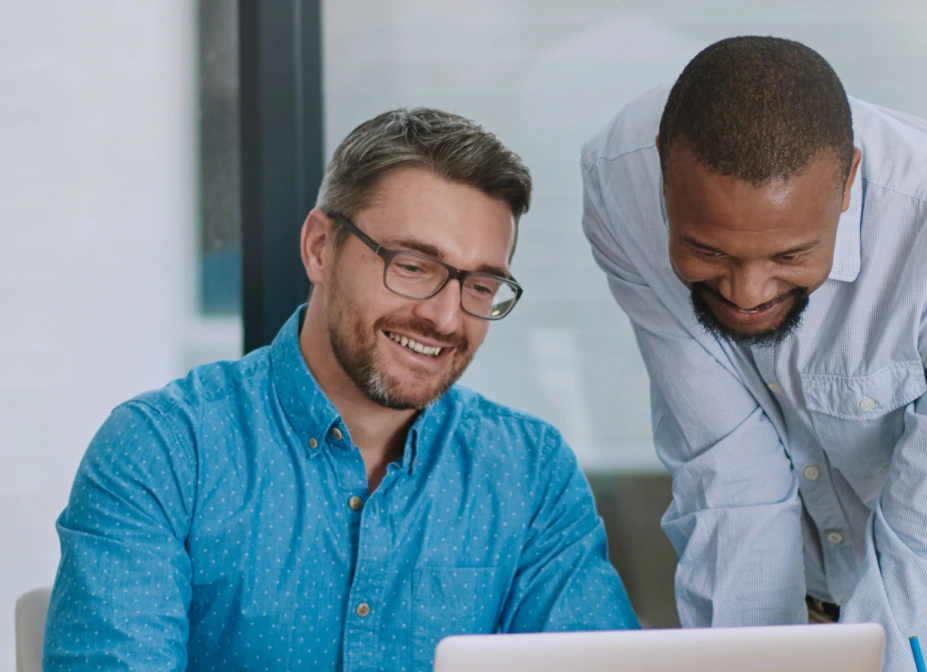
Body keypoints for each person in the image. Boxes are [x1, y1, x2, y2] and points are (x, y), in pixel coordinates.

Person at [44, 108, 639, 671]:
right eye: (412, 266)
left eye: (480, 286)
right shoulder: (164, 452)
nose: (446, 318)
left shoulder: (529, 474)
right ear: (320, 248)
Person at [582, 36, 927, 672]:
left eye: (790, 256)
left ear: (847, 184)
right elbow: (729, 473)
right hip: (798, 604)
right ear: (661, 171)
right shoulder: (617, 183)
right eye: (709, 253)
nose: (746, 293)